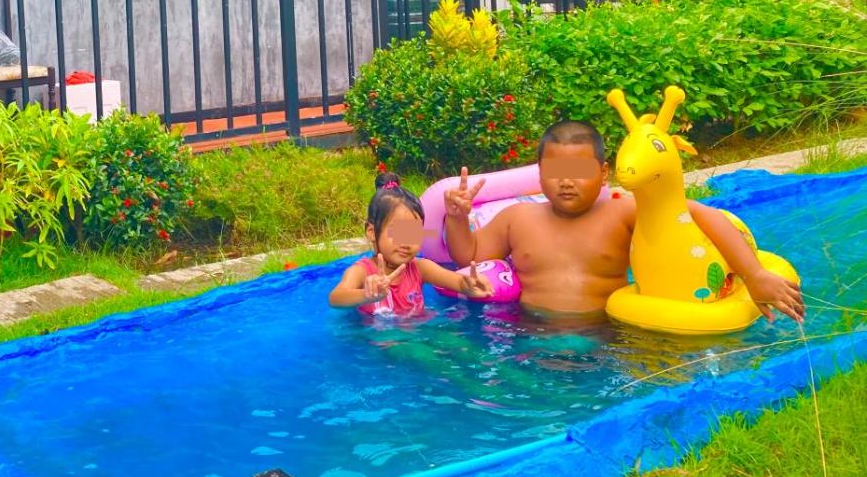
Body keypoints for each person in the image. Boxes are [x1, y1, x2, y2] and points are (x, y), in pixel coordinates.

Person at [442, 120, 805, 321]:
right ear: (539, 173)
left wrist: (753, 275)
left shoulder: (622, 211)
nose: (566, 181)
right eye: (555, 170)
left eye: (579, 170)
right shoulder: (518, 218)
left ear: (603, 174)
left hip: (609, 334)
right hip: (531, 334)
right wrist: (458, 218)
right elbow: (468, 255)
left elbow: (702, 215)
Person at [330, 175, 494, 315]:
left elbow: (457, 282)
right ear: (371, 232)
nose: (406, 242)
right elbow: (336, 298)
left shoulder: (420, 268)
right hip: (380, 336)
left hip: (418, 328)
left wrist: (469, 285)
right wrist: (367, 294)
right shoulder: (362, 271)